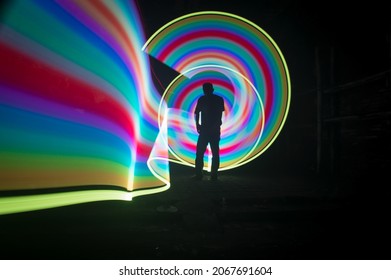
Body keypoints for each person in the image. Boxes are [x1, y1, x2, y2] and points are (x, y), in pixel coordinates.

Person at [194, 82, 225, 181]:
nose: (205, 91)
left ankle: (201, 174)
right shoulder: (218, 99)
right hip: (211, 130)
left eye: (206, 89)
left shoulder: (203, 99)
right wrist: (198, 125)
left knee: (201, 152)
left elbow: (197, 113)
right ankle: (213, 174)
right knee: (213, 152)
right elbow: (219, 115)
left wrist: (198, 125)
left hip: (207, 130)